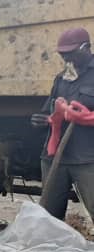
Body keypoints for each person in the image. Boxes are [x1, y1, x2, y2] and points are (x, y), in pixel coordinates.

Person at [32, 27, 94, 220]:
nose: (67, 60)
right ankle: (53, 249)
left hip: (87, 159)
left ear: (86, 48)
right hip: (56, 157)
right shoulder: (61, 78)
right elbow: (49, 109)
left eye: (71, 54)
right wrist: (41, 119)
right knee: (49, 215)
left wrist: (87, 118)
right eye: (63, 55)